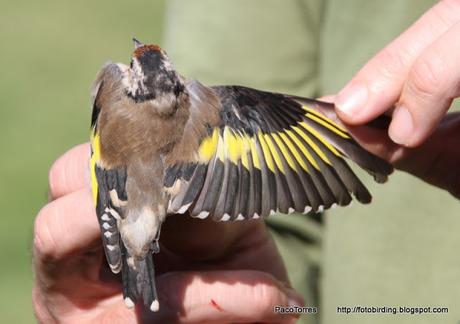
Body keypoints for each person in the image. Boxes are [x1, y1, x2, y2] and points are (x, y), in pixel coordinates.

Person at [33, 0, 460, 323]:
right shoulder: (211, 111)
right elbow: (285, 237)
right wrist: (251, 300)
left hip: (129, 214)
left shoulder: (114, 98)